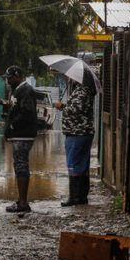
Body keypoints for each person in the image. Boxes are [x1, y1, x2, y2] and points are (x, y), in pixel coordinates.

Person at [0, 66, 38, 213]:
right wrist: (6, 105)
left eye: (10, 78)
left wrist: (13, 123)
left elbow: (27, 112)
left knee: (21, 166)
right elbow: (18, 107)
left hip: (23, 135)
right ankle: (21, 200)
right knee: (19, 166)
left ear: (18, 76)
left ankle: (23, 203)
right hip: (19, 135)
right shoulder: (18, 90)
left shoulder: (25, 90)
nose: (8, 81)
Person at [56, 78, 95, 206]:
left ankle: (74, 197)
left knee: (73, 164)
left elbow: (76, 110)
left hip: (77, 133)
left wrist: (61, 106)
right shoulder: (85, 91)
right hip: (83, 133)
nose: (70, 79)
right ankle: (82, 197)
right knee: (83, 165)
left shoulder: (81, 92)